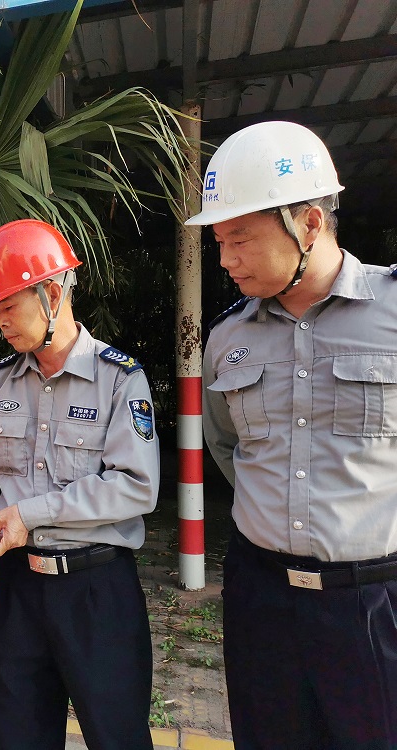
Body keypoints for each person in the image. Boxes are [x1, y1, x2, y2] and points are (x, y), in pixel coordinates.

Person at [0, 219, 159, 750]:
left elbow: (135, 485)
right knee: (15, 737)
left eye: (7, 305)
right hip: (15, 591)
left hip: (95, 591)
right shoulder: (0, 381)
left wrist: (32, 514)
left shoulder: (119, 379)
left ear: (52, 294)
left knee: (117, 736)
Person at [190, 120, 397, 748]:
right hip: (261, 600)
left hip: (373, 600)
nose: (225, 259)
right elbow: (226, 444)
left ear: (309, 223)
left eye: (241, 239)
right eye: (219, 240)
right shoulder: (227, 338)